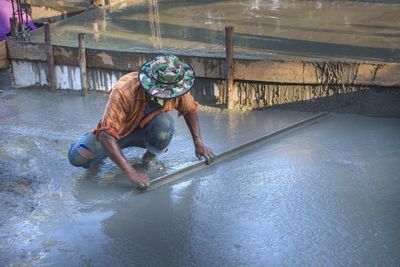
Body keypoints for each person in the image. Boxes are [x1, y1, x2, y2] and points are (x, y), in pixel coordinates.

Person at [68, 55, 215, 188]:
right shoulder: (124, 90)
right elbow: (106, 135)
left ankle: (147, 161)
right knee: (77, 157)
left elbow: (190, 110)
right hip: (118, 133)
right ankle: (102, 158)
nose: (167, 97)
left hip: (147, 132)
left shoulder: (177, 87)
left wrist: (199, 143)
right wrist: (130, 171)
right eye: (161, 94)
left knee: (165, 125)